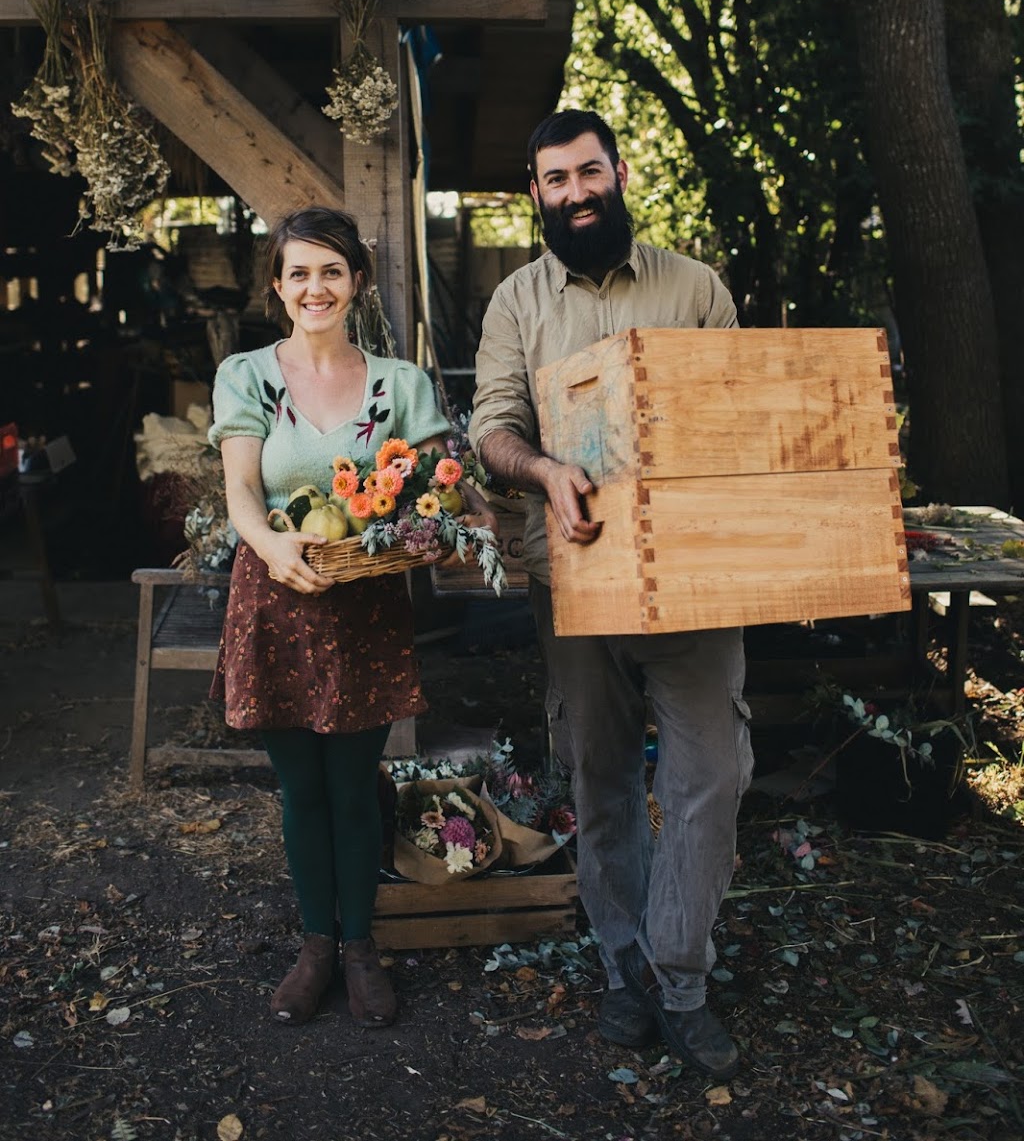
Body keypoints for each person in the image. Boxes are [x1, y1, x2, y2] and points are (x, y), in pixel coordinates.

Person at [469, 110, 753, 1079]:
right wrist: (545, 470)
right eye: (556, 179)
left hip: (694, 583)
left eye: (590, 171)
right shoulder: (516, 300)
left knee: (709, 778)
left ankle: (682, 977)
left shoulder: (694, 285)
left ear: (618, 172)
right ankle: (625, 966)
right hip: (577, 579)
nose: (577, 191)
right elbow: (492, 426)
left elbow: (740, 414)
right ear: (536, 192)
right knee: (599, 780)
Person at [209, 207, 450, 1029]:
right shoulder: (246, 374)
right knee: (298, 787)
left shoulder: (403, 384)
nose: (316, 286)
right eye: (300, 272)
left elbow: (432, 495)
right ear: (278, 286)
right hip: (274, 596)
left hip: (365, 605)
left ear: (357, 283)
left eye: (332, 271)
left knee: (351, 787)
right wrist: (269, 543)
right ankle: (315, 944)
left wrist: (443, 524)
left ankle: (360, 947)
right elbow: (242, 488)